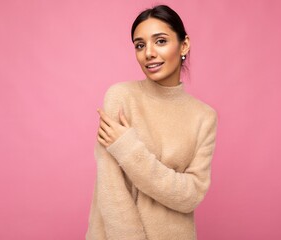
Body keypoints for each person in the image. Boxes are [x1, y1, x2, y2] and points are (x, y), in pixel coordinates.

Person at [85, 4, 218, 240]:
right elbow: (111, 191)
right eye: (140, 45)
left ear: (184, 45)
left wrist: (128, 148)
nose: (148, 53)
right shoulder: (120, 97)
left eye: (160, 41)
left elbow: (191, 195)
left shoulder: (204, 117)